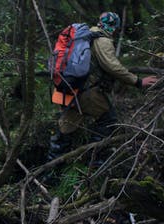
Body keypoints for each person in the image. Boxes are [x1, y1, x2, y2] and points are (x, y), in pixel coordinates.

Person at [47, 12, 158, 161]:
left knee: (65, 130)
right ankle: (96, 160)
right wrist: (138, 81)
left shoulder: (85, 35)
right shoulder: (102, 40)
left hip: (70, 88)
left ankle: (50, 171)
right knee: (108, 119)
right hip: (88, 93)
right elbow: (112, 67)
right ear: (114, 27)